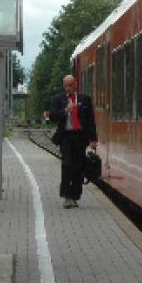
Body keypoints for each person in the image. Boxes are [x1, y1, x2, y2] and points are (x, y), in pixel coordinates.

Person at [49, 75, 97, 208]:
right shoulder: (59, 99)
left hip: (80, 137)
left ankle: (75, 195)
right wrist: (65, 110)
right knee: (67, 164)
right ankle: (66, 196)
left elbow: (90, 121)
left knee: (78, 167)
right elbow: (52, 116)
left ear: (75, 85)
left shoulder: (84, 99)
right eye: (66, 85)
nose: (68, 88)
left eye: (70, 85)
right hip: (65, 137)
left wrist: (93, 139)